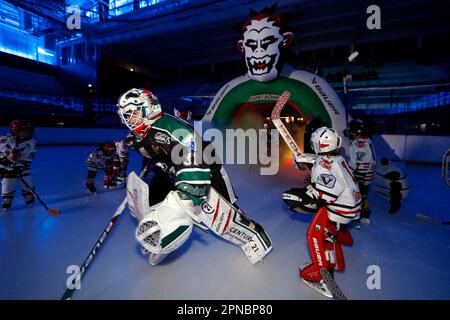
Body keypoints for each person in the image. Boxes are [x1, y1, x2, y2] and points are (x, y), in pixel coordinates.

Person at [117, 88, 272, 266]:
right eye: (126, 115)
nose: (129, 120)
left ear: (148, 109)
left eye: (133, 113)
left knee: (225, 212)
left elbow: (195, 153)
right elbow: (153, 154)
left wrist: (189, 190)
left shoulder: (170, 128)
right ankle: (161, 233)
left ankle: (253, 233)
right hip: (174, 173)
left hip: (206, 172)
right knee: (156, 203)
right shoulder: (137, 136)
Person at [282, 127, 361, 298]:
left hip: (340, 208)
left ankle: (320, 276)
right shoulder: (337, 157)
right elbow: (320, 161)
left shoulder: (325, 165)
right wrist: (304, 159)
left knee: (313, 235)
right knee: (328, 231)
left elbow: (326, 194)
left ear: (320, 144)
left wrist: (301, 195)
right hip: (352, 205)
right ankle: (334, 255)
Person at [0, 120, 37, 210]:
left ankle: (29, 196)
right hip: (6, 168)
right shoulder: (5, 139)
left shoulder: (32, 143)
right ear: (15, 130)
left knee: (26, 179)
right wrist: (3, 160)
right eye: (23, 130)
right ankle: (7, 199)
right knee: (8, 182)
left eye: (28, 130)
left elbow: (29, 158)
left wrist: (21, 165)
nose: (26, 132)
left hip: (22, 167)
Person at [347, 119, 376, 225]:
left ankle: (361, 215)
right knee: (360, 195)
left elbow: (371, 159)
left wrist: (365, 173)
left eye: (351, 129)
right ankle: (360, 215)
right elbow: (371, 159)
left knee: (360, 194)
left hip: (362, 173)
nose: (350, 132)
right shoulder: (362, 141)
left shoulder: (360, 142)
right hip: (362, 172)